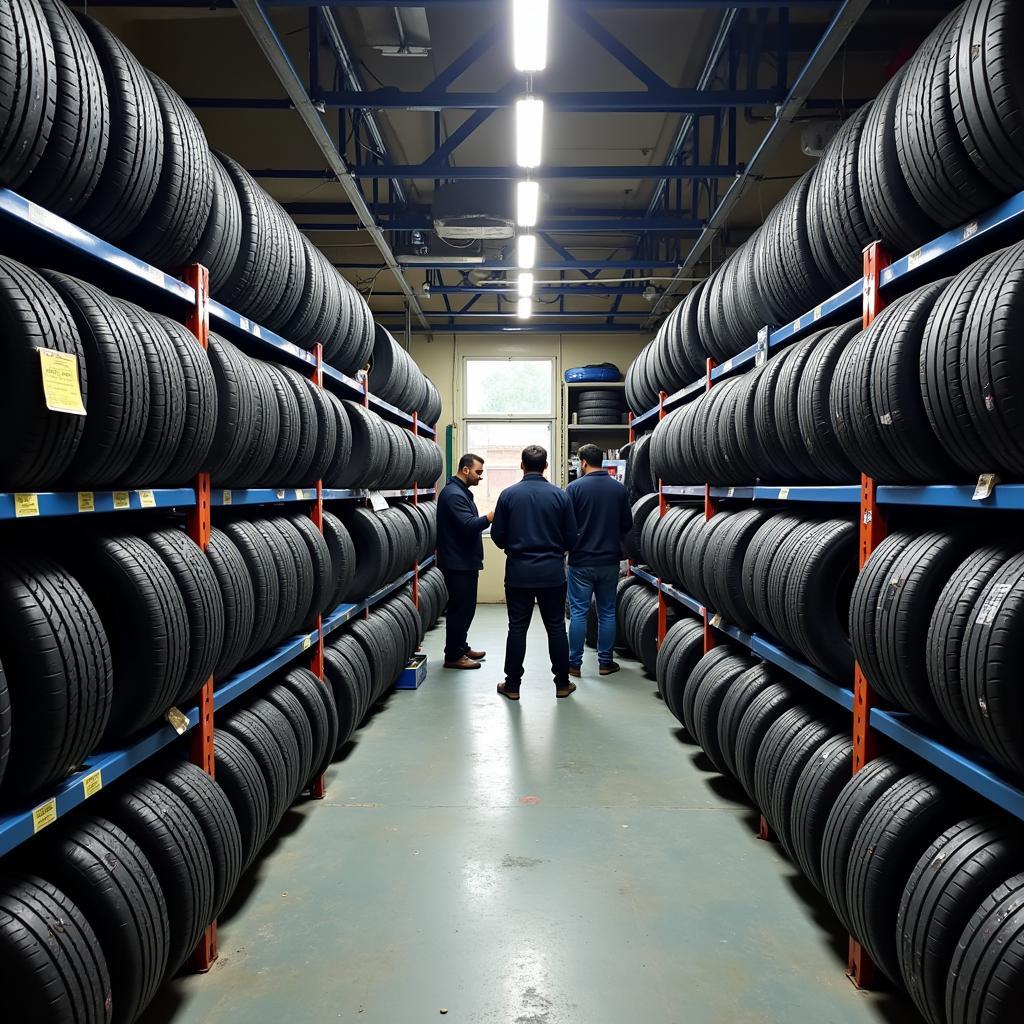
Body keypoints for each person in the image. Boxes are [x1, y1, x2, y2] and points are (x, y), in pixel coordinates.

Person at [490, 445, 579, 700]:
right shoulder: (560, 496)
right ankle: (562, 683)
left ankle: (513, 686)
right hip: (552, 572)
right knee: (556, 628)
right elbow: (571, 538)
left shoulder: (508, 495)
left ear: (521, 465)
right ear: (546, 466)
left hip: (518, 572)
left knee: (517, 628)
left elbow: (497, 535)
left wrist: (515, 548)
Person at [565, 443, 633, 677]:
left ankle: (574, 664)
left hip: (581, 561)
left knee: (578, 613)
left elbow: (565, 525)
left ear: (583, 462)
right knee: (607, 612)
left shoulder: (573, 489)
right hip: (609, 561)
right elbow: (627, 525)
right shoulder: (618, 489)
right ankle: (605, 663)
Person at [437, 453, 493, 669]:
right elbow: (468, 525)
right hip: (457, 563)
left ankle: (461, 646)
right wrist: (489, 517)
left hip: (464, 561)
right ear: (466, 469)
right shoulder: (453, 495)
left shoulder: (460, 492)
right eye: (478, 472)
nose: (480, 477)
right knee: (459, 609)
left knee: (466, 608)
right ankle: (453, 656)